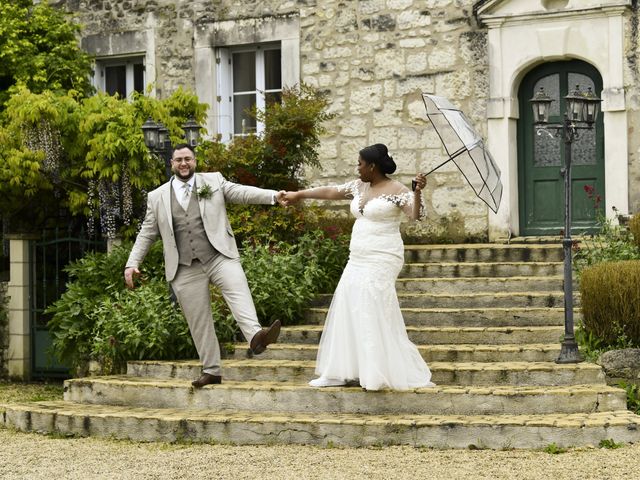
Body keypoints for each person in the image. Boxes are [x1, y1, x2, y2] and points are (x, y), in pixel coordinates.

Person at [124, 144, 283, 388]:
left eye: (188, 158)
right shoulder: (156, 197)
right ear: (172, 164)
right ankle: (211, 371)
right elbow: (147, 233)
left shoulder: (214, 181)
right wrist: (132, 263)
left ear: (195, 161)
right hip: (184, 266)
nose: (184, 163)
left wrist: (272, 196)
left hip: (218, 255)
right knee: (199, 321)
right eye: (179, 160)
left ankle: (256, 337)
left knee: (238, 292)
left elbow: (240, 193)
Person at [282, 143, 435, 390]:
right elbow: (331, 191)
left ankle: (374, 372)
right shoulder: (358, 186)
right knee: (348, 302)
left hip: (384, 256)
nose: (357, 167)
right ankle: (341, 371)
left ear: (372, 166)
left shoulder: (398, 190)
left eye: (360, 164)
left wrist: (417, 192)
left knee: (371, 306)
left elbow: (415, 216)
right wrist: (299, 195)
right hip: (358, 256)